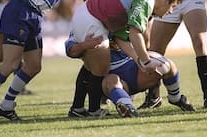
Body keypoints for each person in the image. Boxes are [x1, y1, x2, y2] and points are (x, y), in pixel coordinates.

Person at [68, 0, 181, 118]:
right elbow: (135, 32)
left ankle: (79, 108)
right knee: (98, 68)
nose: (170, 12)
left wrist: (139, 60)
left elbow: (122, 38)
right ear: (165, 1)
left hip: (87, 15)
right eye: (172, 7)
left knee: (92, 67)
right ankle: (93, 110)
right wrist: (145, 60)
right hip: (89, 17)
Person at [65, 34, 195, 118]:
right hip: (114, 77)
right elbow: (70, 50)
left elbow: (131, 37)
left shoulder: (113, 19)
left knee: (167, 64)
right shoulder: (81, 27)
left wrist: (143, 61)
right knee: (112, 81)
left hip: (134, 68)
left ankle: (175, 98)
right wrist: (85, 45)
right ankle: (127, 107)